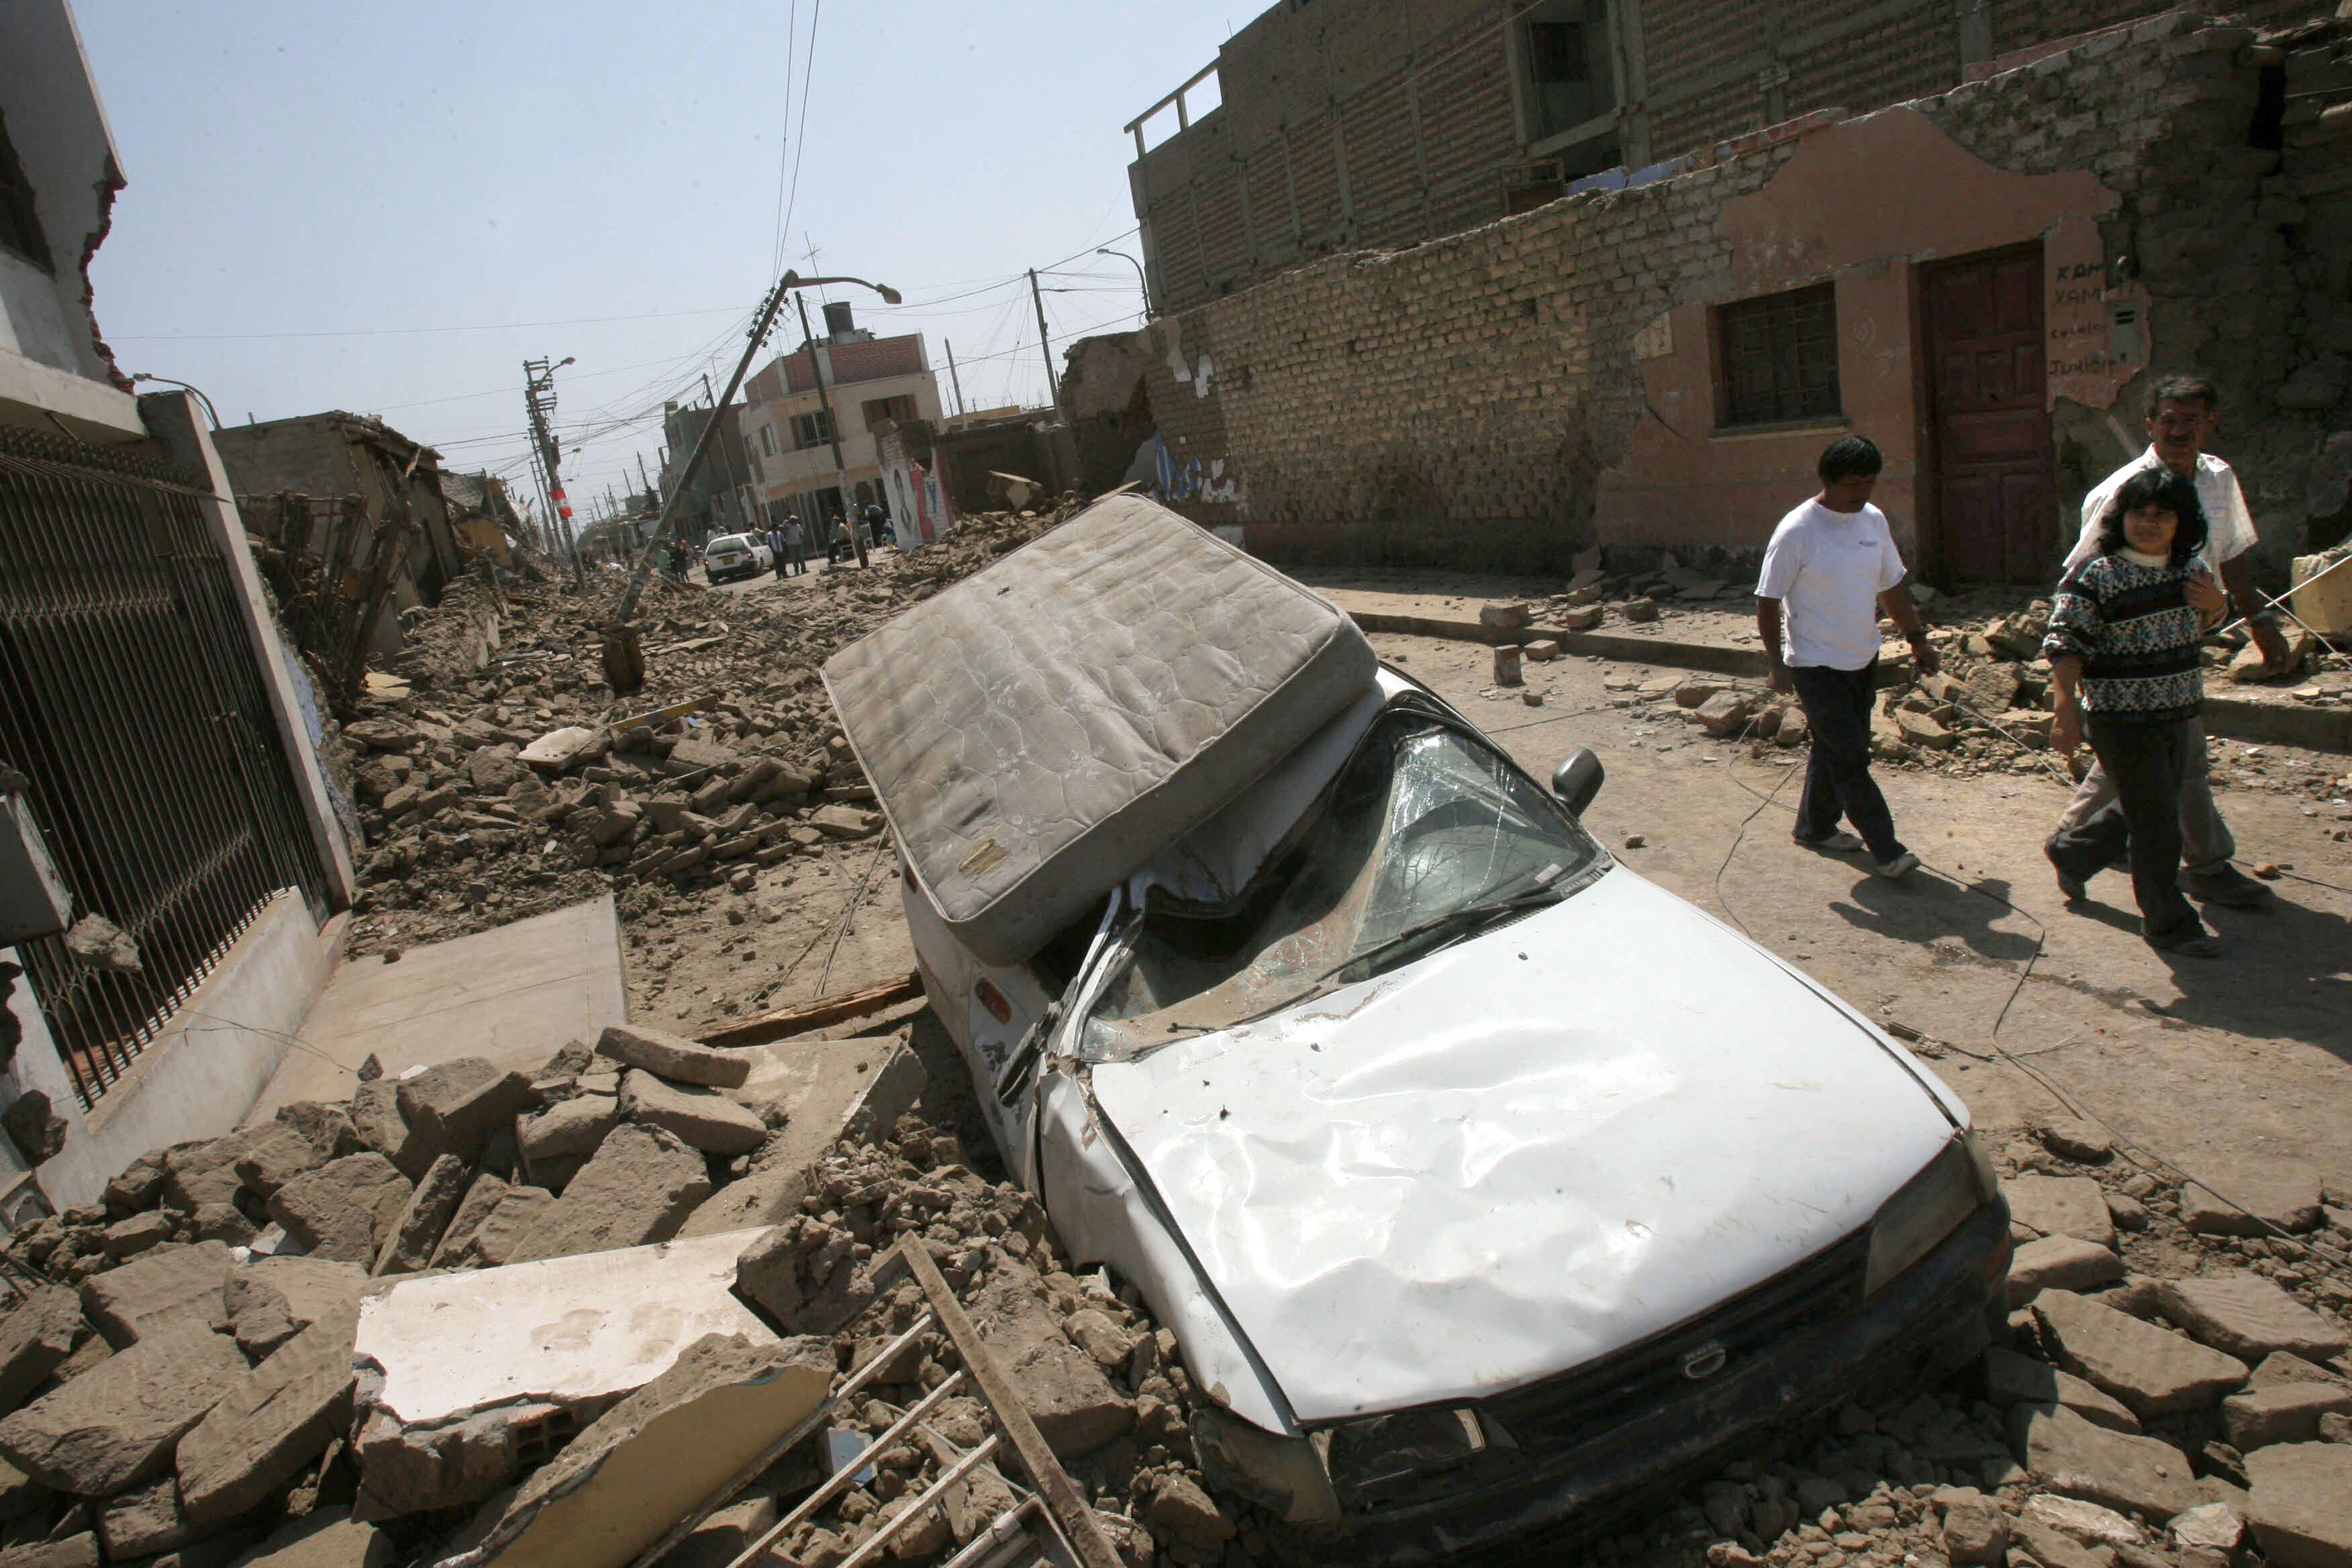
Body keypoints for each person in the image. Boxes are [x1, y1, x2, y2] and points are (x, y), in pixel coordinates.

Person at [2049, 374, 2274, 908]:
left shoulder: (2216, 478)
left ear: (2211, 422)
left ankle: (2077, 846)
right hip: (2125, 665)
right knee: (2175, 770)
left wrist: (2248, 617)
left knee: (2148, 769)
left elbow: (2231, 554)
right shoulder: (2125, 493)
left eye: (2192, 420)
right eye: (2169, 420)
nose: (2180, 430)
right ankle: (2197, 877)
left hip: (2176, 653)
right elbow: (2080, 589)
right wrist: (2067, 697)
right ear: (2149, 424)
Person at [2043, 469, 2228, 957]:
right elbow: (2064, 646)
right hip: (2121, 719)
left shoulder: (2191, 572)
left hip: (2179, 712)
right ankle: (2169, 923)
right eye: (2138, 513)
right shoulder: (2096, 576)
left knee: (2153, 806)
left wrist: (2218, 604)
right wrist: (2065, 712)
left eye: (2162, 514)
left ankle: (2072, 852)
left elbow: (2207, 621)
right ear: (2119, 518)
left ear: (2181, 521)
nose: (2149, 523)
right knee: (2159, 825)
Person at [1756, 436, 1939, 879]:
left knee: (1833, 747)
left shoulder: (1872, 522)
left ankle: (1815, 827)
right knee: (1851, 758)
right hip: (1815, 665)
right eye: (1852, 484)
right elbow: (1768, 599)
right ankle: (1888, 850)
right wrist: (1777, 662)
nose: (1861, 493)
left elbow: (1891, 586)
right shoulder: (1798, 530)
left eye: (1869, 483)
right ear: (1828, 481)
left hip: (1862, 658)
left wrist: (1917, 638)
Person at [781, 512, 807, 576]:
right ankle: (796, 570)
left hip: (799, 543)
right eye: (794, 520)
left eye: (796, 520)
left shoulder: (798, 526)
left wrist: (801, 540)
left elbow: (802, 534)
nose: (796, 521)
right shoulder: (788, 527)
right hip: (791, 545)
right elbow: (782, 528)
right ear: (791, 521)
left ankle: (804, 569)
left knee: (801, 557)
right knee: (794, 558)